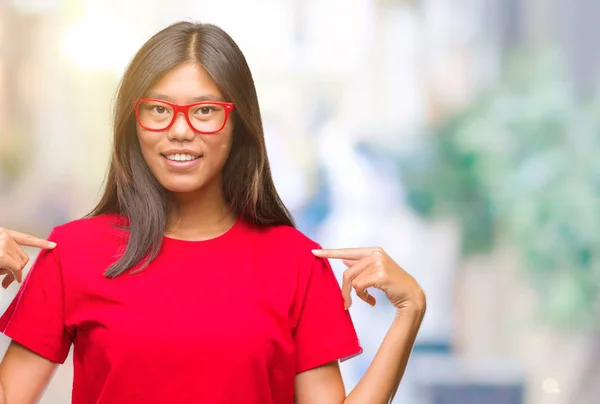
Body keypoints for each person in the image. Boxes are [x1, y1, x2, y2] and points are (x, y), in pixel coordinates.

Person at [0, 21, 426, 404]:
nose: (180, 130)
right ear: (134, 121)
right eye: (159, 110)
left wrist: (410, 313)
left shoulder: (296, 263)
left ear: (238, 122)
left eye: (205, 111)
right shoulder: (73, 252)